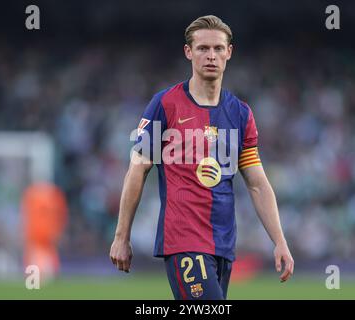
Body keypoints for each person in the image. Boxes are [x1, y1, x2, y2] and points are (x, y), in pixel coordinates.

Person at [110, 15, 294, 300]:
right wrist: (122, 237)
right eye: (203, 48)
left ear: (229, 53)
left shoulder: (241, 113)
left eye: (218, 49)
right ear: (188, 52)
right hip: (182, 239)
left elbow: (257, 183)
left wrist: (280, 241)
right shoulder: (164, 104)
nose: (211, 56)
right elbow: (137, 171)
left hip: (223, 244)